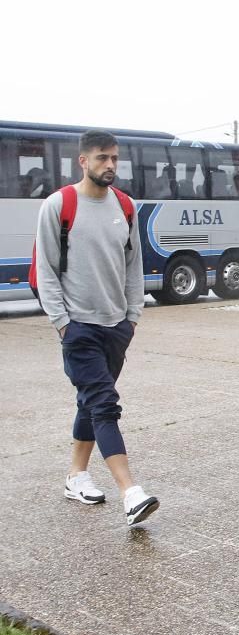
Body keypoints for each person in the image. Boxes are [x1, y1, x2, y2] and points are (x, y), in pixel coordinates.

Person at [35, 130, 159, 527]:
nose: (110, 165)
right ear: (83, 162)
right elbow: (46, 271)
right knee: (104, 403)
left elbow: (133, 266)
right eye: (102, 158)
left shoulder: (125, 206)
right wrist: (63, 324)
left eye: (114, 159)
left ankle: (76, 476)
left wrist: (132, 317)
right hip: (79, 328)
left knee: (90, 401)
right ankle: (130, 492)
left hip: (116, 326)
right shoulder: (59, 205)